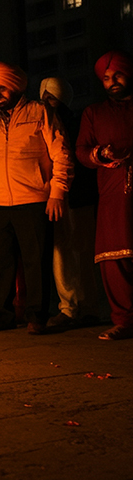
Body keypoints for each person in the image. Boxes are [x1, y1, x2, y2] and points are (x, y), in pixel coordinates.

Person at [0, 63, 72, 335]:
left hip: (34, 199)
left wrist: (57, 193)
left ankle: (37, 317)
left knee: (36, 261)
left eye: (2, 88)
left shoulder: (40, 112)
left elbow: (61, 154)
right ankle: (3, 315)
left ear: (16, 85)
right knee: (0, 261)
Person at [76, 51, 133, 340]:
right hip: (112, 192)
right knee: (115, 259)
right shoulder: (94, 113)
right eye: (107, 78)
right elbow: (82, 151)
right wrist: (100, 154)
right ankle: (124, 320)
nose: (112, 82)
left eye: (118, 75)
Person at [40, 77, 100, 330]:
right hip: (52, 196)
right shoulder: (40, 124)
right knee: (60, 253)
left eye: (51, 99)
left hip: (79, 196)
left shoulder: (77, 123)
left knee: (83, 252)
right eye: (44, 99)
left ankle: (88, 308)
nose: (47, 104)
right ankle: (68, 307)